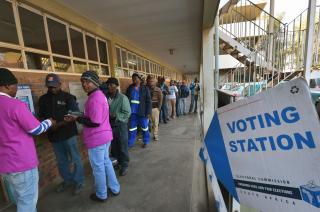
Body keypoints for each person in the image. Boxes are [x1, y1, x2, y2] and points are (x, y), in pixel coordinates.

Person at [0, 68, 55, 212]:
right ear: (6, 86)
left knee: (20, 198)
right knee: (27, 202)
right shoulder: (15, 105)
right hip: (22, 163)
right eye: (15, 85)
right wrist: (49, 122)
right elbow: (36, 129)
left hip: (5, 164)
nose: (16, 88)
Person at [64, 71, 120, 202]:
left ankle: (101, 194)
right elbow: (93, 117)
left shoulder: (95, 98)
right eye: (82, 81)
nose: (84, 84)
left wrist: (77, 118)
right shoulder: (100, 95)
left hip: (97, 139)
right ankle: (115, 188)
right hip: (105, 136)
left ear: (95, 83)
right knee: (106, 163)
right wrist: (79, 116)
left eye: (87, 81)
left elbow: (94, 122)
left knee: (98, 168)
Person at [38, 73, 85, 195]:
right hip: (54, 137)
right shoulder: (43, 100)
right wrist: (47, 125)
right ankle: (67, 180)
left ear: (60, 84)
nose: (52, 88)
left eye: (54, 86)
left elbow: (75, 114)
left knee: (75, 159)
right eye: (49, 86)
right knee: (61, 161)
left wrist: (57, 125)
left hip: (69, 135)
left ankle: (79, 181)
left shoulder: (68, 97)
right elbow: (41, 116)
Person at [104, 78, 131, 176]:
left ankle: (124, 164)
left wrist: (116, 115)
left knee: (122, 146)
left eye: (111, 85)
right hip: (109, 125)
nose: (109, 86)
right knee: (114, 146)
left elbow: (127, 113)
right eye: (108, 85)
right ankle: (116, 162)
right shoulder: (105, 97)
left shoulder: (122, 98)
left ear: (116, 86)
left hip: (120, 125)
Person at [126, 73, 152, 148]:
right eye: (133, 79)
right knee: (132, 128)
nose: (134, 80)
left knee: (144, 127)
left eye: (135, 78)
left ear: (139, 79)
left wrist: (148, 112)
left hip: (142, 112)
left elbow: (148, 101)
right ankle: (130, 143)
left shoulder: (145, 88)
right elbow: (127, 99)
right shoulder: (130, 88)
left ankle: (146, 141)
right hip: (132, 112)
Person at [147, 76, 163, 141]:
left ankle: (155, 135)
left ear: (155, 82)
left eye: (152, 81)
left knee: (155, 123)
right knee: (147, 123)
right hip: (147, 109)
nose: (151, 83)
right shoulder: (145, 89)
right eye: (149, 81)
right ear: (147, 81)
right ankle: (147, 135)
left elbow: (161, 99)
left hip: (155, 108)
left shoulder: (158, 89)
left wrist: (159, 108)